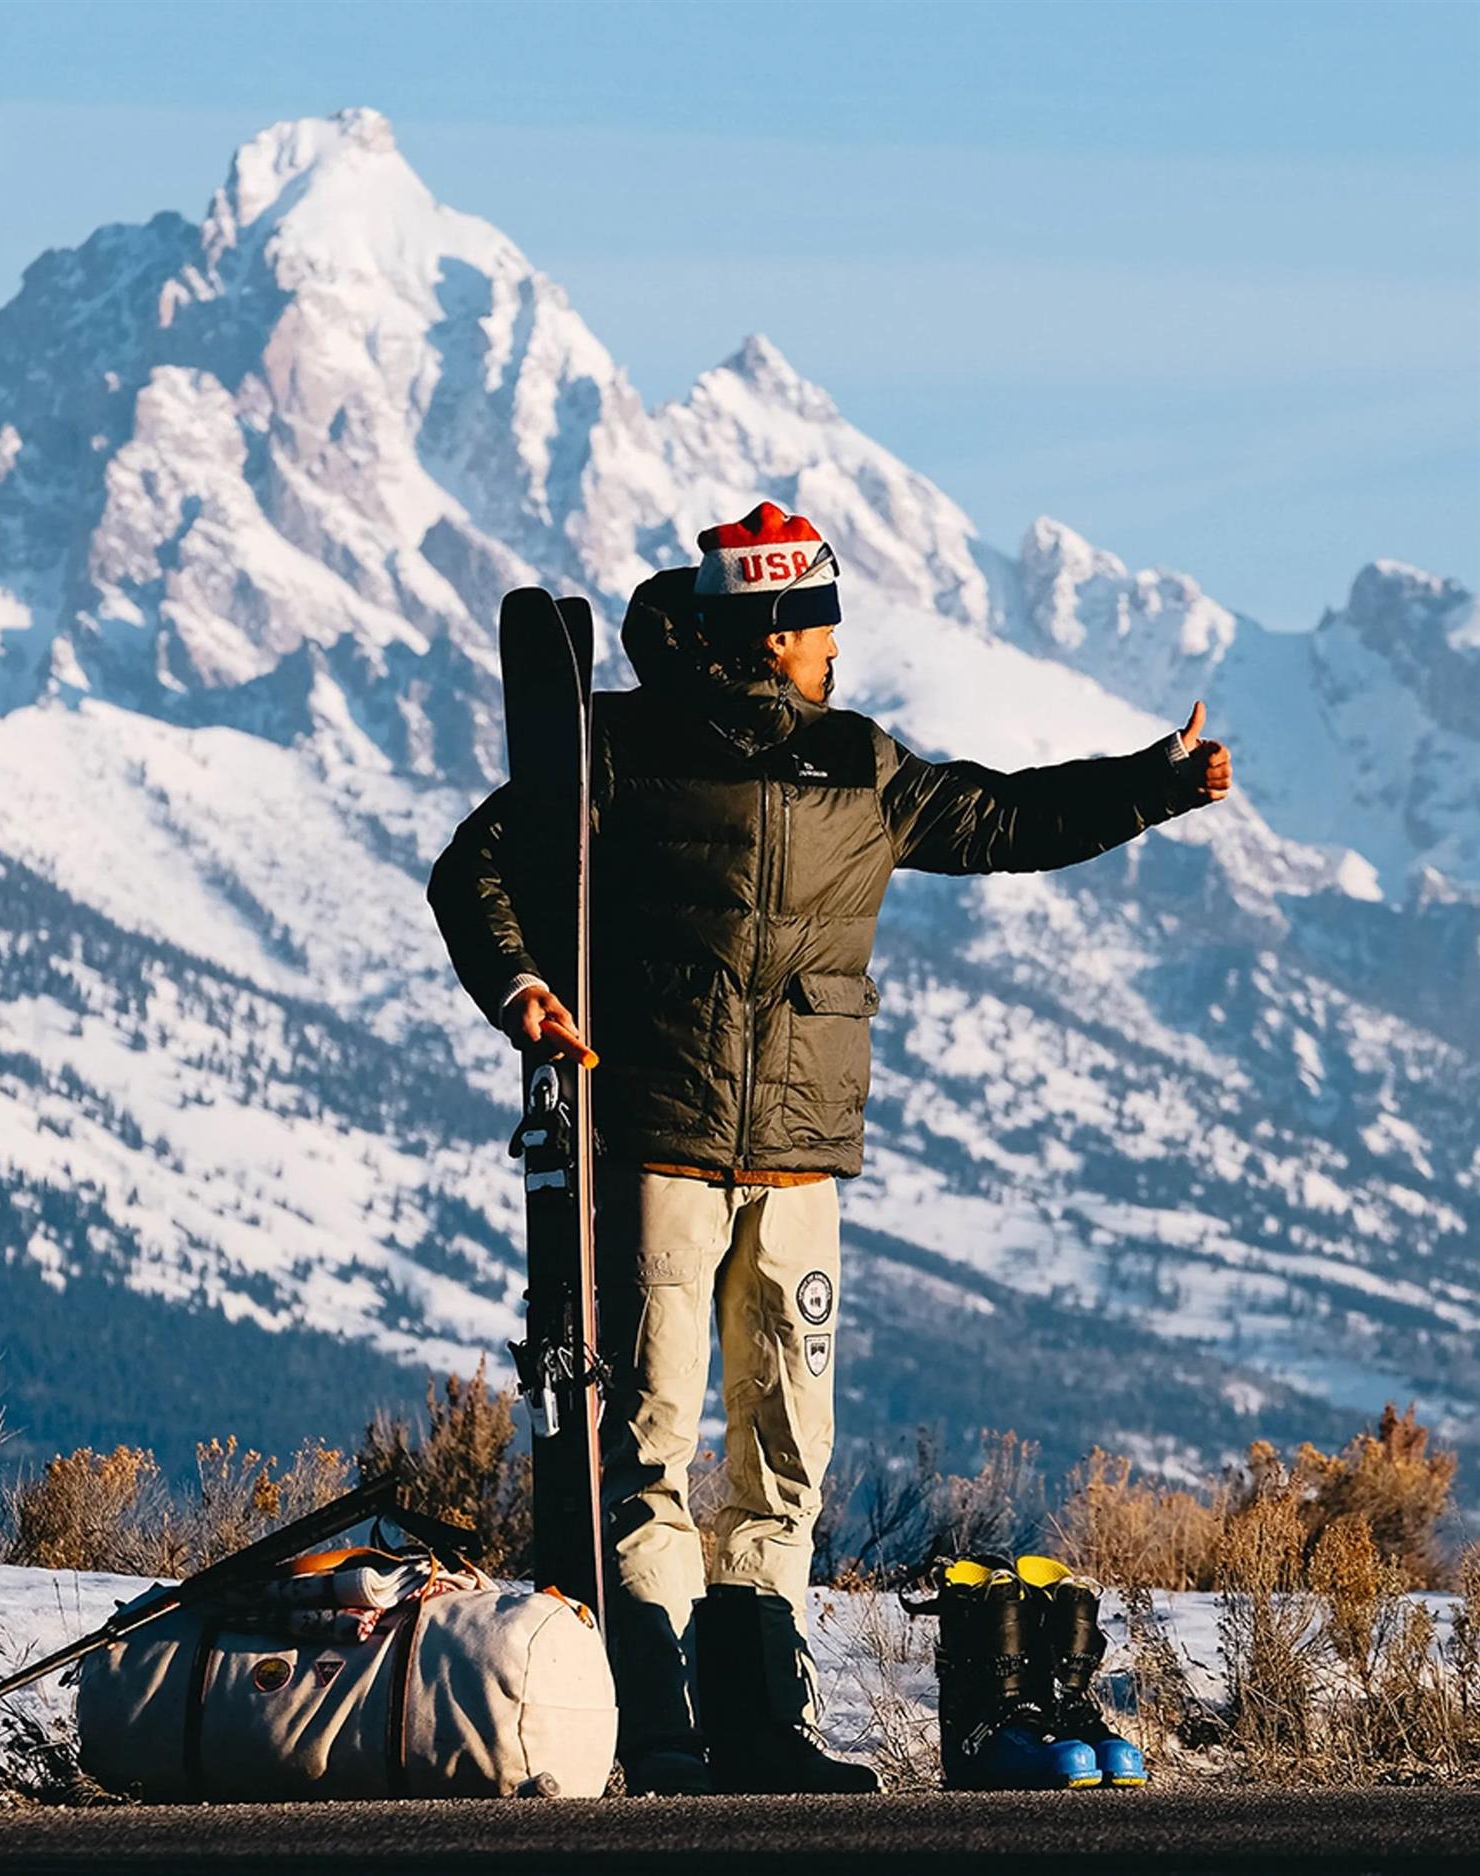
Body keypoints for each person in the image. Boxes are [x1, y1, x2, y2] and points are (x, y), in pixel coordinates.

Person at [426, 502, 1233, 1796]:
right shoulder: (617, 748)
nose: (833, 650)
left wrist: (1149, 786)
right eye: (819, 626)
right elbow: (475, 866)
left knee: (782, 1455)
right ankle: (659, 1729)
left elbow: (1002, 821)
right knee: (644, 1447)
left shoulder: (858, 764)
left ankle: (763, 1727)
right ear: (771, 630)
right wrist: (521, 985)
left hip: (799, 1166)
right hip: (661, 1156)